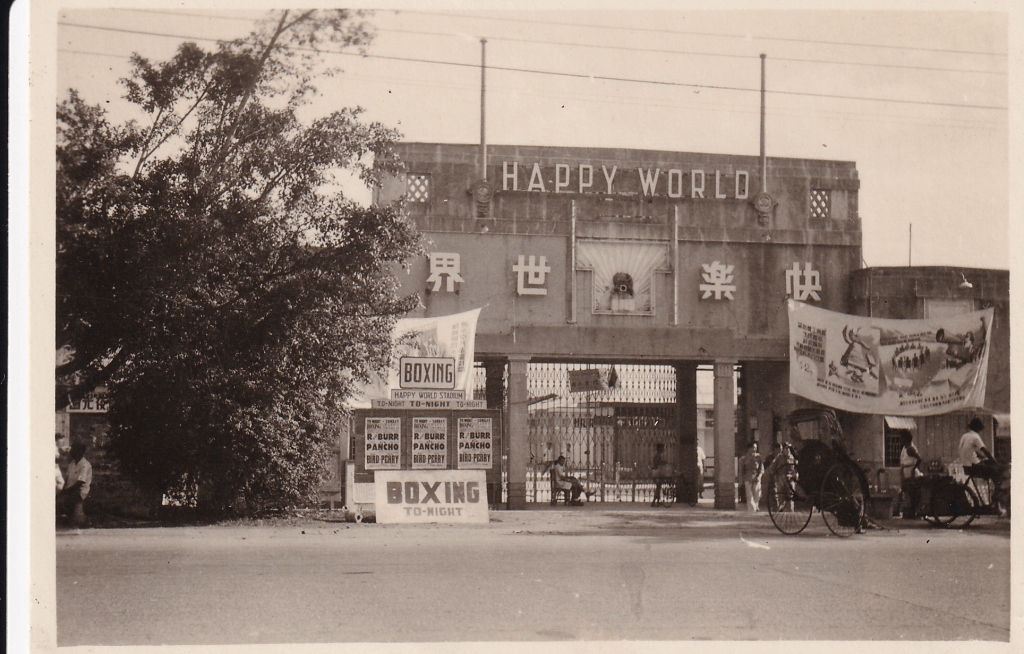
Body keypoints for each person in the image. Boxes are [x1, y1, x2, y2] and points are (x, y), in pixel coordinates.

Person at [57, 442, 93, 527]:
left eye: (73, 449)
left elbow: (80, 482)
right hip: (71, 489)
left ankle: (76, 520)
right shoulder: (72, 464)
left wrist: (66, 492)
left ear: (79, 451)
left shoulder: (85, 464)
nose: (70, 452)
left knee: (65, 501)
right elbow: (67, 480)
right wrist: (63, 491)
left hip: (80, 490)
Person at [898, 430, 924, 519]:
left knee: (913, 493)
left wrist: (914, 468)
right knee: (907, 492)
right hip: (906, 472)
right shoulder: (905, 448)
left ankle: (913, 512)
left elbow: (920, 459)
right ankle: (909, 512)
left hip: (911, 473)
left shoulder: (910, 449)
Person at [738, 442, 764, 513]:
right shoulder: (743, 459)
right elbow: (741, 471)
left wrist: (759, 476)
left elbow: (761, 469)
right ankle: (751, 510)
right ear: (749, 448)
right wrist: (741, 481)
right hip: (748, 478)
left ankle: (756, 507)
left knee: (757, 494)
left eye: (755, 447)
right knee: (749, 495)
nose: (754, 449)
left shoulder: (759, 458)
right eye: (753, 447)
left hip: (756, 477)